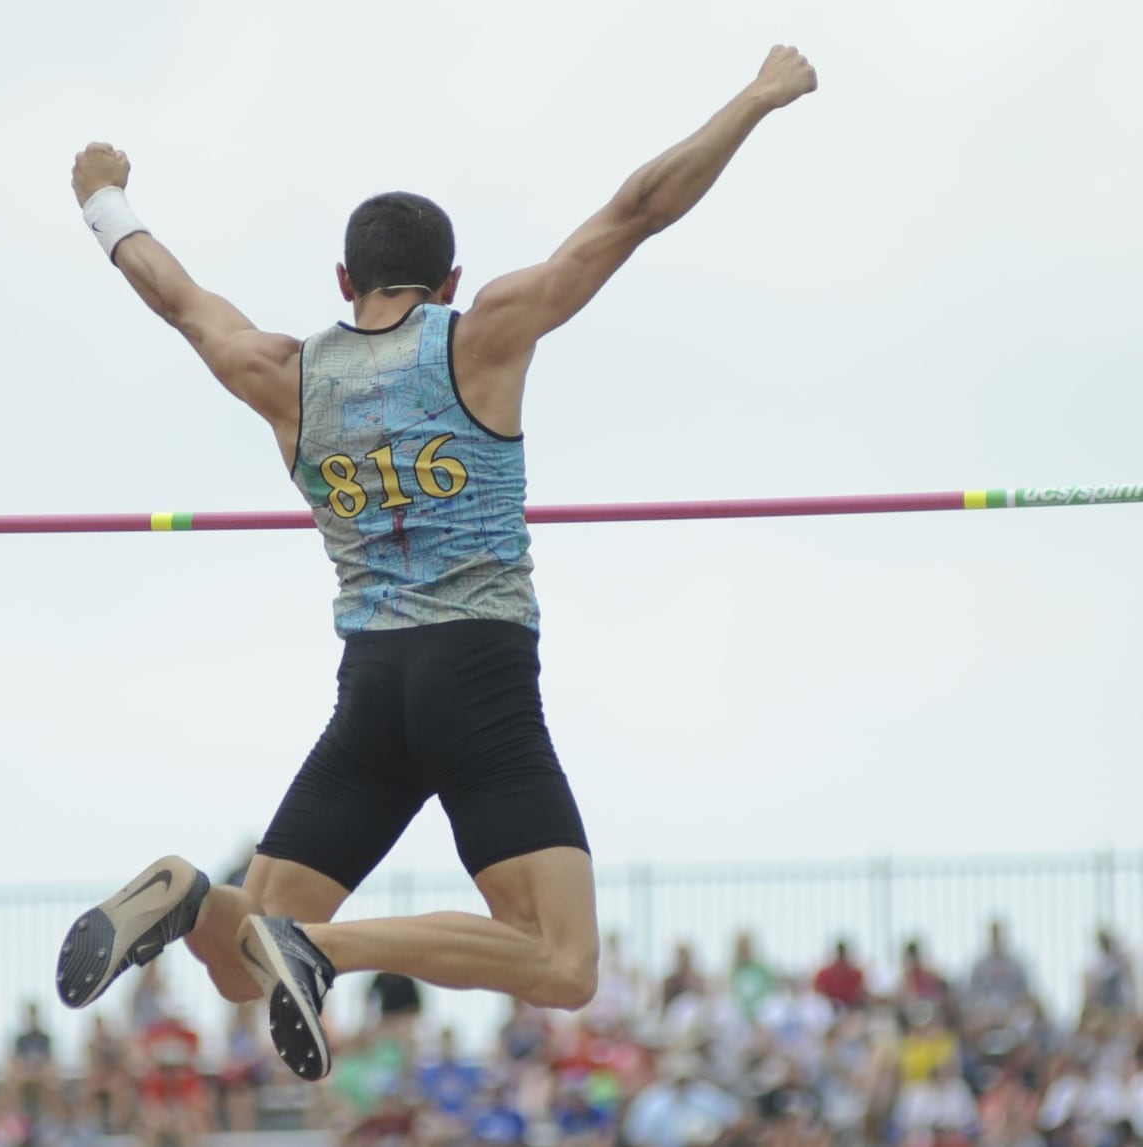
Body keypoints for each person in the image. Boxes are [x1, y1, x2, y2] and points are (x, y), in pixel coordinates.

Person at [55, 44, 819, 1085]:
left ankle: (192, 889)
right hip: (479, 681)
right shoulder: (481, 335)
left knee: (239, 962)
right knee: (560, 961)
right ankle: (328, 950)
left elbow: (179, 300)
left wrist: (104, 199)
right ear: (449, 281)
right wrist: (758, 98)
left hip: (371, 689)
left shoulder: (281, 372)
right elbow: (638, 209)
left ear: (342, 281)